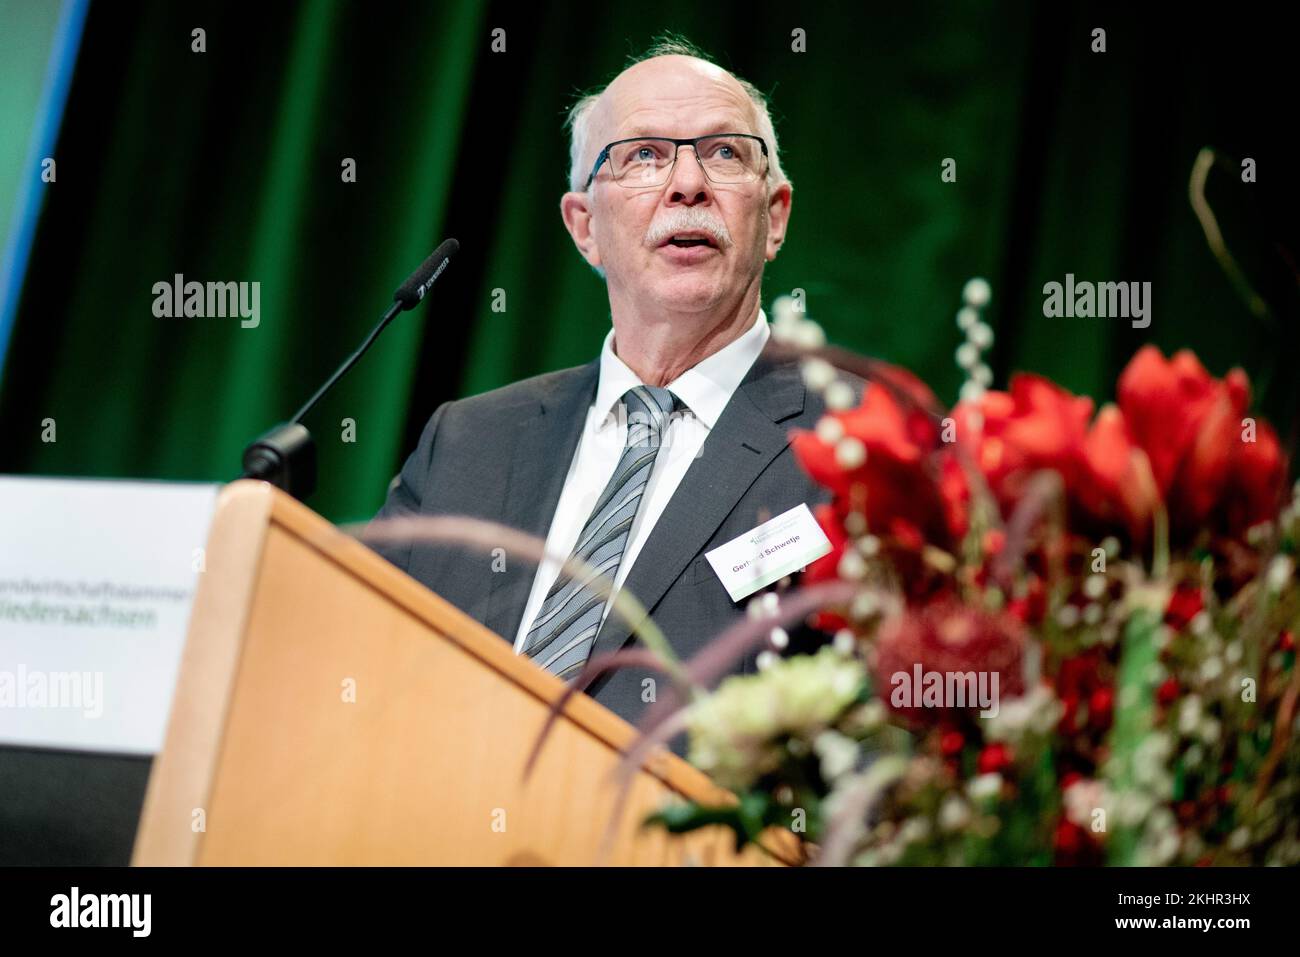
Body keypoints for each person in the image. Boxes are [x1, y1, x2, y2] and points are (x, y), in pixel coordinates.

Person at [373, 38, 856, 741]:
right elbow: (357, 656)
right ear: (584, 227)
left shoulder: (854, 449)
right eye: (643, 156)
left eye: (724, 153)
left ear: (774, 216)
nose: (688, 183)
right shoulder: (468, 443)